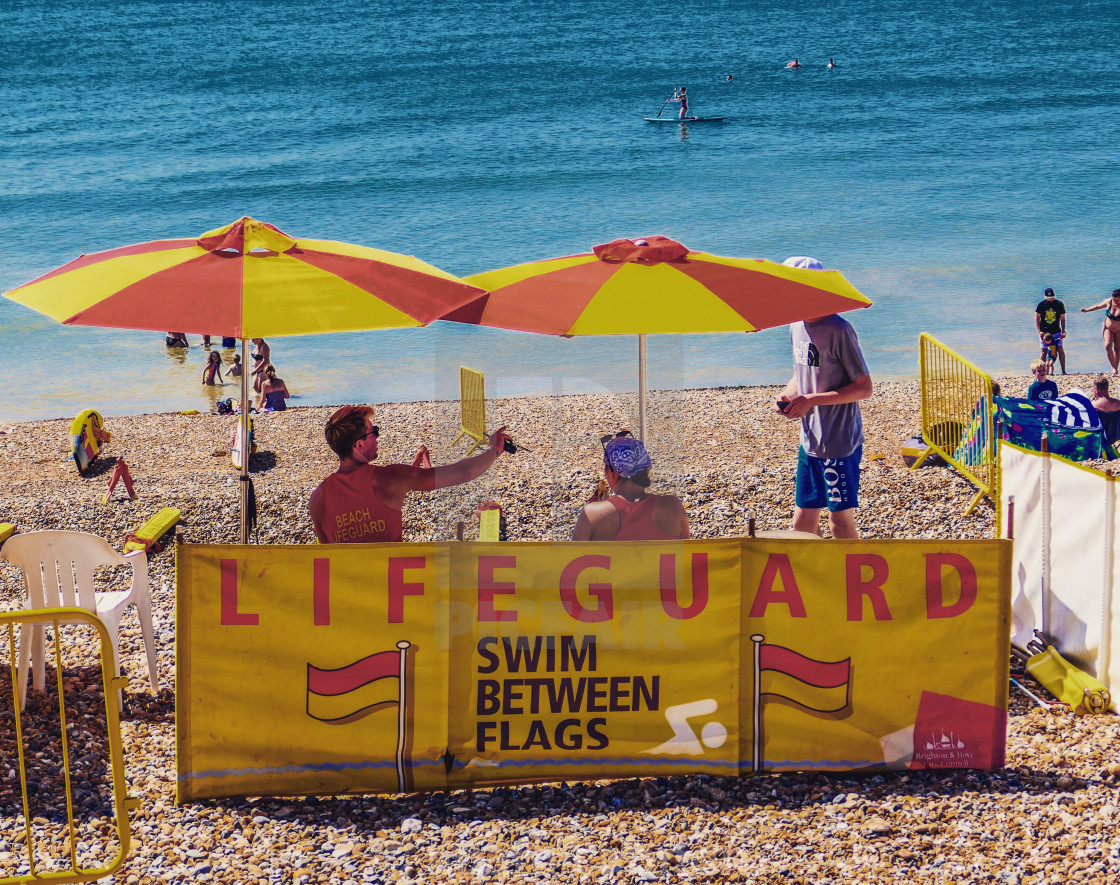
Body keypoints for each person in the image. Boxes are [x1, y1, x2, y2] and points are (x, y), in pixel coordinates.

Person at [309, 405, 509, 543]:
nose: (378, 437)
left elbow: (325, 554)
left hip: (350, 598)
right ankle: (486, 518)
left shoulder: (318, 498)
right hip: (397, 591)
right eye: (374, 431)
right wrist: (494, 450)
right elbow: (462, 472)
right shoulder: (388, 478)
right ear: (359, 444)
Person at [775, 267, 873, 539]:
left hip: (839, 443)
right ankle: (815, 578)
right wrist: (787, 395)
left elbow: (864, 388)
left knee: (839, 524)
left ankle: (850, 580)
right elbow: (801, 371)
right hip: (810, 441)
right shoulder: (796, 325)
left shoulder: (840, 330)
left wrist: (811, 400)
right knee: (802, 526)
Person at [571, 433, 690, 541]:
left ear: (612, 473)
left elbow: (572, 561)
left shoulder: (592, 514)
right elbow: (686, 557)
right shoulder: (673, 506)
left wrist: (597, 505)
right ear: (645, 469)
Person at [1081, 289, 1120, 376]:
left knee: (1117, 349)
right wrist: (1087, 310)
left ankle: (1116, 369)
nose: (1116, 301)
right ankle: (1113, 368)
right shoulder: (1109, 302)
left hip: (1119, 331)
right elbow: (1098, 306)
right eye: (1114, 299)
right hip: (1108, 328)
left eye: (1118, 300)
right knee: (1107, 346)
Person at [1034, 287, 1067, 374]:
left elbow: (1063, 319)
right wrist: (1039, 331)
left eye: (1052, 297)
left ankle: (1064, 371)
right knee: (1044, 351)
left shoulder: (1059, 304)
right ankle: (1043, 372)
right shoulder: (1041, 305)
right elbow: (1037, 319)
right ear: (1045, 297)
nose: (1051, 299)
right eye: (1049, 298)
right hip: (1044, 333)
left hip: (1056, 331)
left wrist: (1064, 331)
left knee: (1060, 350)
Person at [1092, 376, 1120, 445]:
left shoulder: (1093, 406)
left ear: (1097, 390)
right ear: (1107, 388)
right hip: (1116, 435)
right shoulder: (1118, 403)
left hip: (1099, 436)